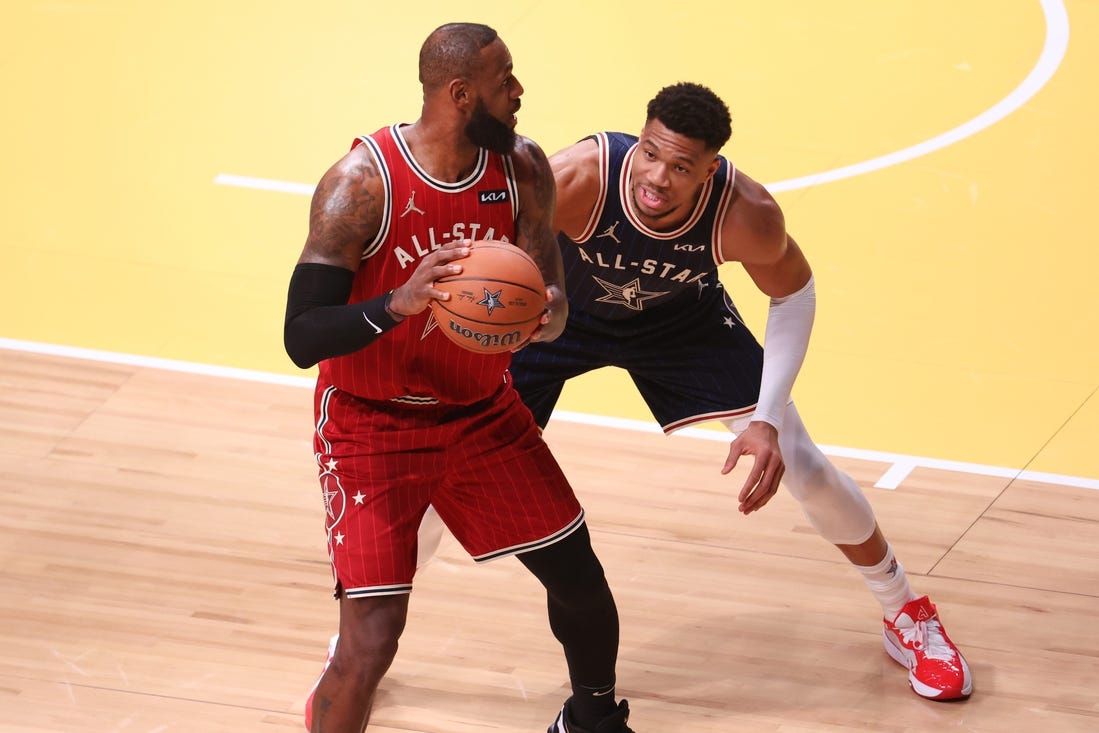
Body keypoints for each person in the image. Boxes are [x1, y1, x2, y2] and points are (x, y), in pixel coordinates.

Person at [508, 81, 973, 701]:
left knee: (802, 464)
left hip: (681, 322)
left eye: (680, 167)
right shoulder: (579, 177)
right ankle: (360, 645)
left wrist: (769, 419)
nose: (656, 178)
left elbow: (794, 292)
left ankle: (907, 613)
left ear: (710, 171)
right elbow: (503, 250)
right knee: (449, 461)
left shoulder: (744, 212)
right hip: (564, 314)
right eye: (649, 153)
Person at [282, 23, 633, 733]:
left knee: (578, 577)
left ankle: (592, 719)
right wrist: (397, 302)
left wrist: (546, 316)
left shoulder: (525, 170)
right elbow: (301, 334)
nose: (519, 92)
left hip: (479, 415)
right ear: (461, 94)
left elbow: (553, 297)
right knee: (372, 637)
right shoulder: (360, 184)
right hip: (370, 424)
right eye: (506, 81)